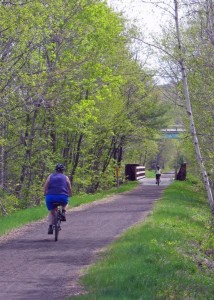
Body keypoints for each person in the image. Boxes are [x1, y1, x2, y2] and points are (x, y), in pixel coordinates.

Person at [43, 163, 72, 234]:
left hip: (50, 197)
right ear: (63, 170)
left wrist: (45, 193)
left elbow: (46, 185)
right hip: (63, 197)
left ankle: (50, 226)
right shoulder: (65, 177)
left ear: (55, 170)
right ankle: (63, 211)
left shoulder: (50, 176)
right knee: (66, 202)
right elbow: (69, 187)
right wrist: (70, 194)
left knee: (51, 212)